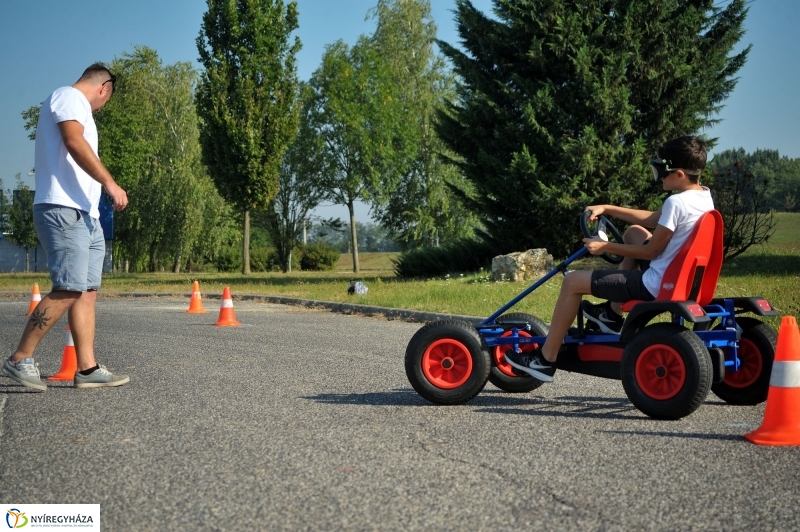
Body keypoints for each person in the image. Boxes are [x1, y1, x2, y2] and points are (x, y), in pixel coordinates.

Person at [505, 136, 714, 382]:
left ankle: (545, 359)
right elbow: (650, 220)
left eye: (661, 170)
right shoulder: (703, 196)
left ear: (679, 174)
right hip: (680, 277)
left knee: (572, 282)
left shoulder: (676, 203)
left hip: (656, 283)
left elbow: (650, 253)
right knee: (634, 233)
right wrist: (607, 208)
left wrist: (605, 246)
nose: (658, 176)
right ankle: (612, 315)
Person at [1, 63, 130, 391]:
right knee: (69, 287)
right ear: (104, 88)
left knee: (86, 292)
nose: (100, 109)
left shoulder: (78, 106)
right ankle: (19, 357)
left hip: (86, 215)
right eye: (105, 102)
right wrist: (110, 183)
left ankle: (87, 369)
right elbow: (73, 141)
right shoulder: (69, 97)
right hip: (63, 209)